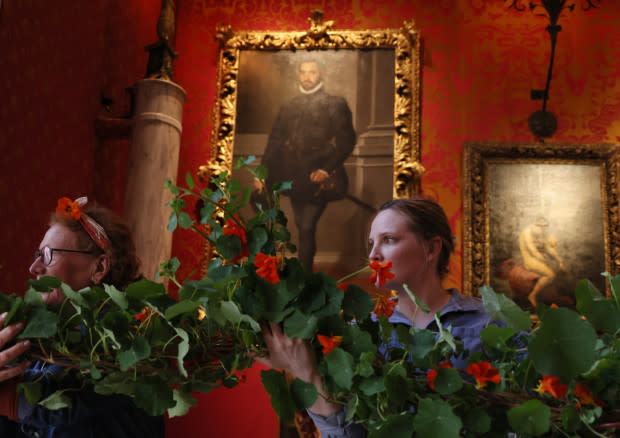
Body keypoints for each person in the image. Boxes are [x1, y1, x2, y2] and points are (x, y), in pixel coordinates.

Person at [255, 197, 497, 437]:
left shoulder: (489, 322)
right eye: (371, 243)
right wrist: (305, 374)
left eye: (388, 240)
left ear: (432, 248)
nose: (373, 255)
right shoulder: (358, 333)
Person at [0, 197, 165, 437]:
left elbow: (65, 400)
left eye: (48, 255)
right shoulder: (49, 340)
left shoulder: (123, 341)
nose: (34, 267)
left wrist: (7, 397)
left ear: (99, 268)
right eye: (38, 254)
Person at [255, 58, 356, 272]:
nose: (307, 77)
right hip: (291, 173)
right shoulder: (289, 106)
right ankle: (279, 267)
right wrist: (261, 172)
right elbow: (274, 141)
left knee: (306, 226)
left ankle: (305, 279)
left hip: (318, 175)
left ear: (322, 74)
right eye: (303, 72)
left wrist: (325, 170)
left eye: (312, 72)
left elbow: (347, 141)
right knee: (286, 217)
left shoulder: (336, 104)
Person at [518, 218, 567, 307]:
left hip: (538, 258)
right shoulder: (527, 232)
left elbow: (549, 248)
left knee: (561, 267)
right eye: (540, 227)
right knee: (550, 274)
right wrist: (547, 260)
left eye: (543, 227)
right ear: (535, 225)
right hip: (529, 260)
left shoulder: (539, 233)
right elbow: (532, 250)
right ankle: (532, 295)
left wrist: (559, 260)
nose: (542, 230)